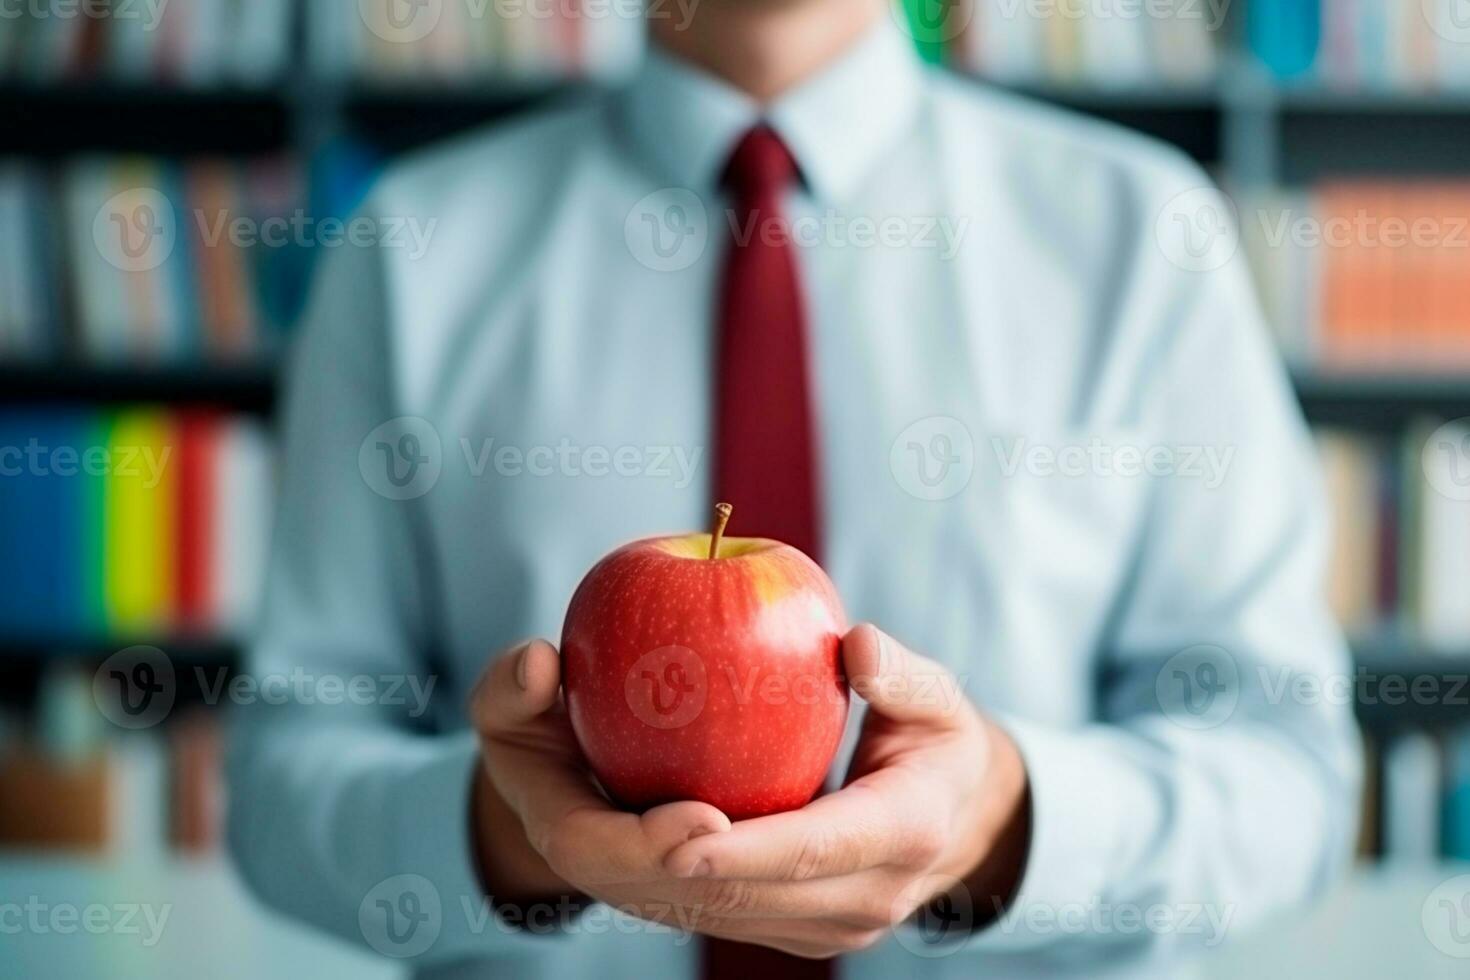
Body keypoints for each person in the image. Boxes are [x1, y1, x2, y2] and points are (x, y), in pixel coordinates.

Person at [227, 1, 1362, 978]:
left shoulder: (1142, 239)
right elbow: (283, 785)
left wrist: (1002, 823)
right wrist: (503, 835)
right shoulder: (408, 248)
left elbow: (1289, 776)